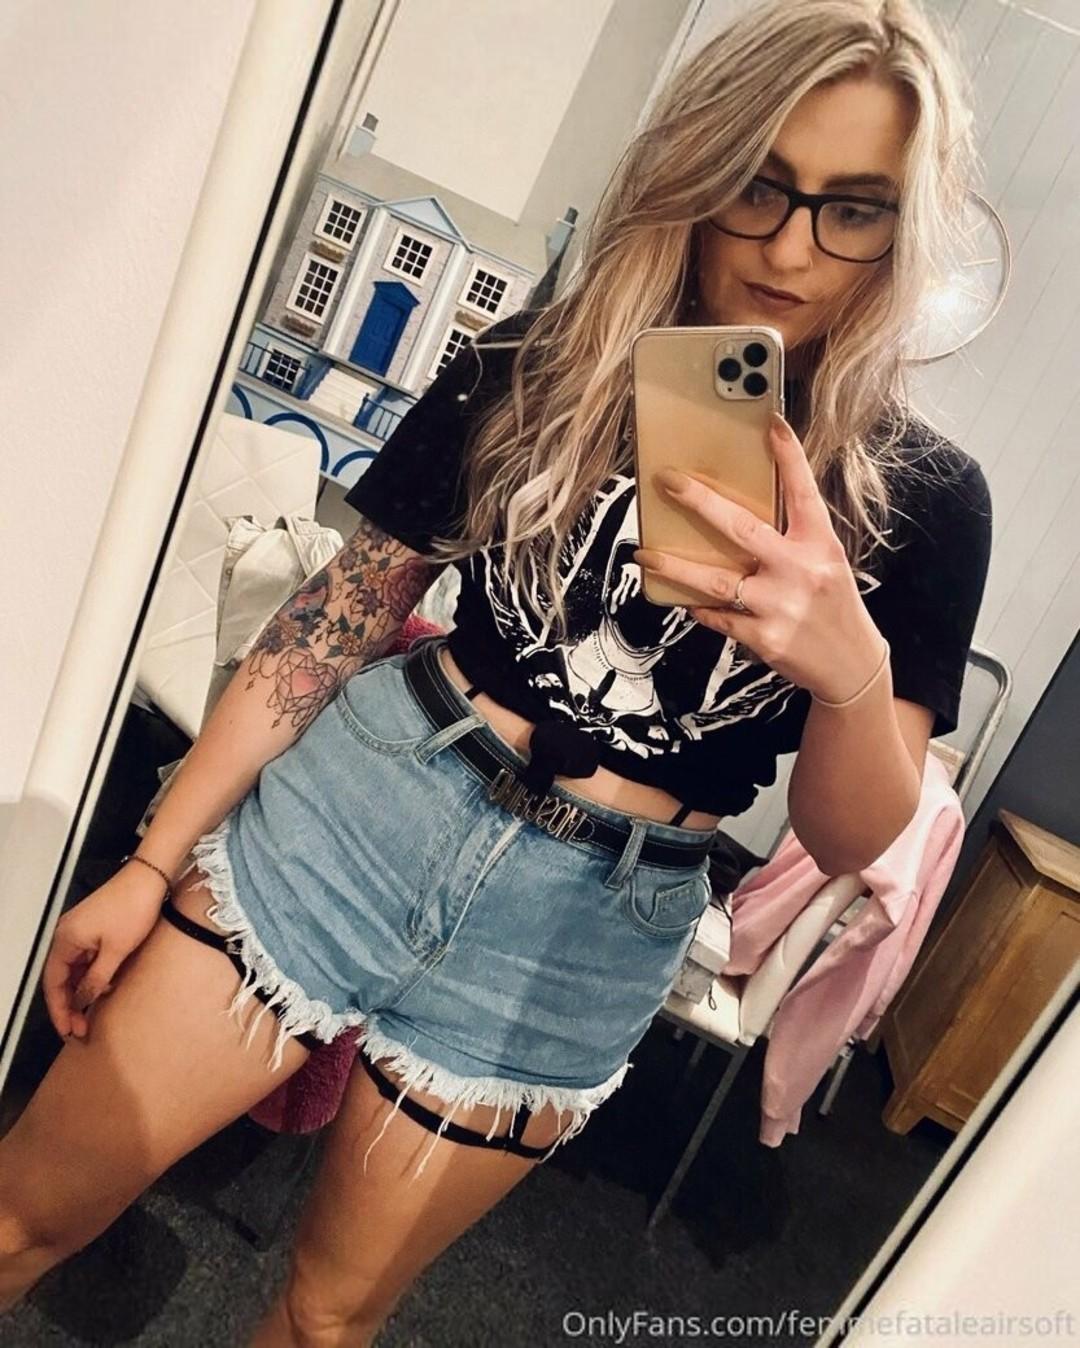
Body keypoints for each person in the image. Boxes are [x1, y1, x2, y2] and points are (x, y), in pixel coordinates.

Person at [0, 0, 993, 1342]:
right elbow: (341, 612)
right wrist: (148, 857)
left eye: (853, 208)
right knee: (23, 1213)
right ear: (697, 169)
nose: (789, 246)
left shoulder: (925, 499)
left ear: (904, 225)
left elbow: (851, 835)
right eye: (758, 183)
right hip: (369, 807)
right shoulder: (543, 360)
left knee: (326, 1320)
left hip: (588, 930)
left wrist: (847, 670)